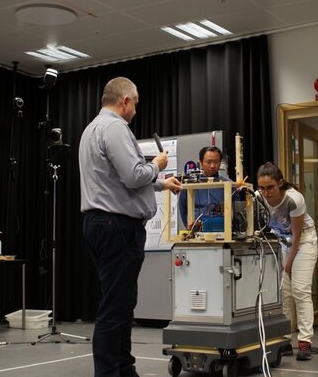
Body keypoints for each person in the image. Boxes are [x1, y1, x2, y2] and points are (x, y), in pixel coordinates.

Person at [79, 77, 182, 377]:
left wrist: (161, 184)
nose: (136, 110)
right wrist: (158, 165)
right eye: (135, 103)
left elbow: (115, 181)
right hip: (117, 227)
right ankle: (111, 372)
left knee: (121, 303)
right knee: (115, 307)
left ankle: (123, 369)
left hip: (102, 223)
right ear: (124, 101)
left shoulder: (92, 129)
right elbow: (134, 176)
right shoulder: (115, 128)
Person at [256, 162, 318, 361]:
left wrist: (288, 263)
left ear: (280, 183)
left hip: (304, 241)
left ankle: (305, 341)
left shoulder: (294, 199)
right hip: (283, 241)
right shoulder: (259, 197)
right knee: (284, 292)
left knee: (300, 290)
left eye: (270, 187)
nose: (266, 192)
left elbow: (298, 236)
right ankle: (285, 340)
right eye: (262, 188)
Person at [178, 146, 231, 228]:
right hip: (197, 233)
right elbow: (183, 207)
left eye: (216, 162)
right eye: (209, 162)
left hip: (222, 231)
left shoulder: (228, 184)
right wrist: (190, 229)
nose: (212, 166)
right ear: (201, 163)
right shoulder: (190, 184)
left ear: (220, 162)